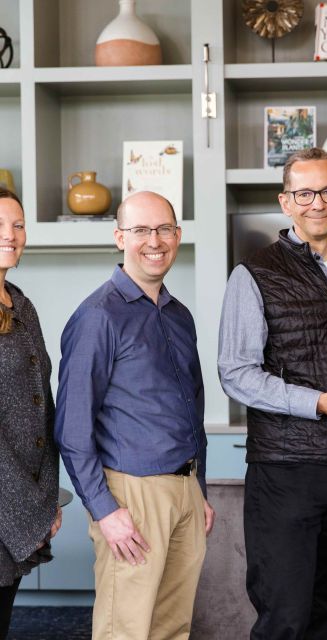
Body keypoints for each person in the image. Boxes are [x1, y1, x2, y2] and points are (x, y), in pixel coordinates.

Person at [218, 147, 327, 639]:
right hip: (286, 469)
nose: (317, 202)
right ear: (286, 202)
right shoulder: (253, 274)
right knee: (285, 616)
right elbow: (236, 373)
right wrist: (316, 402)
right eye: (304, 192)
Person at [55, 191, 214, 640]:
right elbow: (72, 429)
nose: (154, 240)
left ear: (178, 235)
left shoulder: (178, 315)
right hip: (131, 495)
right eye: (141, 230)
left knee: (172, 628)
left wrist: (197, 488)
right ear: (119, 236)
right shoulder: (97, 317)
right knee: (126, 629)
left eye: (164, 228)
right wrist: (105, 510)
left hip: (183, 491)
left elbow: (192, 407)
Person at [0, 188, 61, 639]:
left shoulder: (21, 304)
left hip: (21, 507)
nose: (11, 235)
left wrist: (47, 500)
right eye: (0, 225)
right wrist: (31, 513)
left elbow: (44, 406)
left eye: (18, 225)